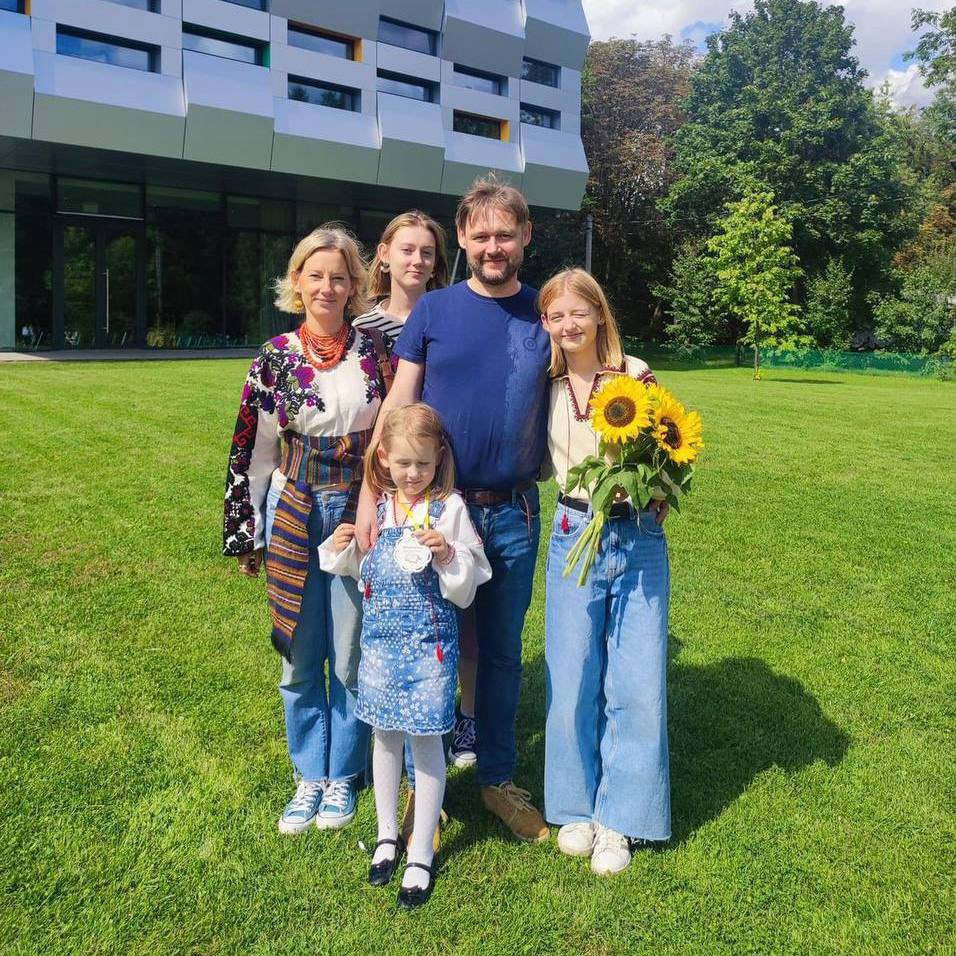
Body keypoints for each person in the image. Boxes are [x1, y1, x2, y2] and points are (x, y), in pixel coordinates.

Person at [356, 175, 551, 842]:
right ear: (462, 239)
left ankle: (497, 779)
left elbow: (590, 374)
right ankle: (422, 792)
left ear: (525, 236)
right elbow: (397, 413)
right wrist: (370, 496)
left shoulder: (543, 313)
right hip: (432, 513)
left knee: (499, 654)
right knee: (425, 647)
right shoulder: (433, 314)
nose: (493, 246)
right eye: (481, 234)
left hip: (513, 514)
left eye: (505, 233)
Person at [222, 225, 386, 835]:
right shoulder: (275, 357)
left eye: (339, 276)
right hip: (293, 507)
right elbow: (253, 449)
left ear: (355, 285)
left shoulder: (375, 355)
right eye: (315, 275)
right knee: (298, 650)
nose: (327, 286)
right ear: (297, 282)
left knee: (348, 650)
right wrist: (248, 531)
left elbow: (391, 439)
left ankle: (342, 772)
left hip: (355, 509)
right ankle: (307, 775)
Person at [320, 404, 491, 908]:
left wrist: (446, 555)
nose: (413, 474)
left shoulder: (450, 510)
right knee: (385, 740)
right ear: (384, 462)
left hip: (428, 654)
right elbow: (358, 571)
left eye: (422, 464)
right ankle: (386, 835)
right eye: (402, 465)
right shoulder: (380, 510)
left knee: (426, 745)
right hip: (380, 650)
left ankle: (421, 850)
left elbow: (466, 588)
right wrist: (342, 545)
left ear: (439, 459)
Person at [538, 268, 671, 876]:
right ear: (546, 324)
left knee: (637, 678)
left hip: (637, 534)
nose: (568, 325)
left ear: (598, 315)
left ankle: (622, 816)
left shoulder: (636, 376)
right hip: (573, 532)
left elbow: (667, 449)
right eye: (554, 315)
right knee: (572, 672)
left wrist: (659, 488)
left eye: (577, 313)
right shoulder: (545, 385)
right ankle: (574, 807)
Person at [354, 212, 479, 768]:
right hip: (389, 470)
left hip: (435, 475)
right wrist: (371, 485)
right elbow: (386, 406)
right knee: (383, 615)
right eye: (406, 249)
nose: (417, 260)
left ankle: (446, 725)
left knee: (446, 615)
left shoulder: (449, 313)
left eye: (428, 251)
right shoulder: (363, 328)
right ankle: (386, 736)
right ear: (384, 254)